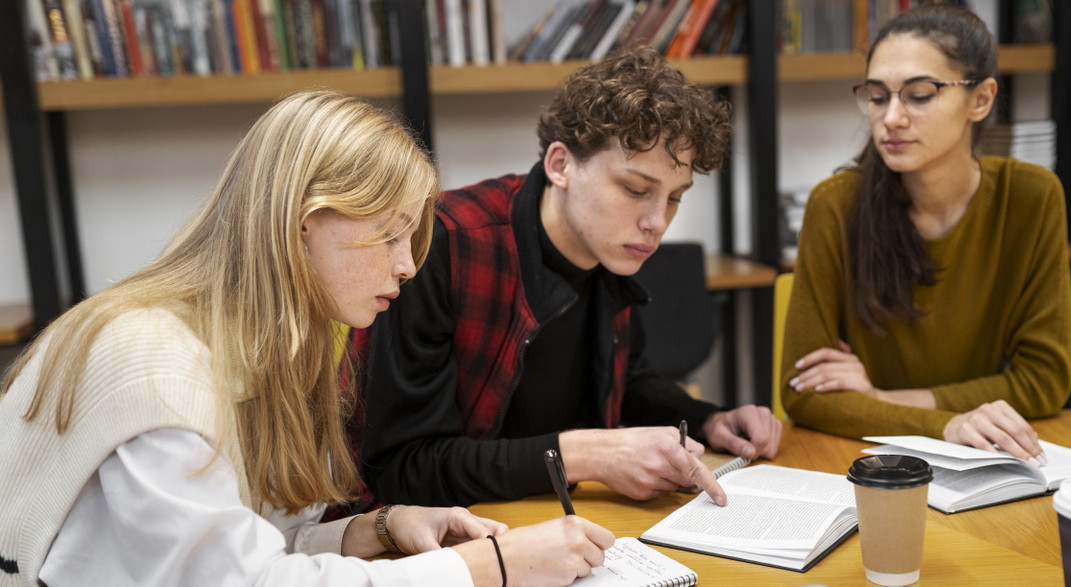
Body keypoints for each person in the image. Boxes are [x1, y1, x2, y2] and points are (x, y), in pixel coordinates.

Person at [0, 90, 614, 587]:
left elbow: (250, 541)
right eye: (388, 235)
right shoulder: (154, 359)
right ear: (302, 223)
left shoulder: (291, 345)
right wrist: (482, 569)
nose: (407, 265)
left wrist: (379, 528)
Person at [358, 48, 782, 509]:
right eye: (635, 190)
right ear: (560, 165)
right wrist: (584, 454)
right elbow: (403, 470)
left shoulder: (611, 245)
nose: (657, 222)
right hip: (443, 532)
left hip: (562, 516)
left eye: (675, 197)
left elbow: (626, 379)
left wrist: (708, 419)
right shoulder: (442, 244)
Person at [779, 4, 1071, 463]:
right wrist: (947, 424)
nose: (892, 118)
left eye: (919, 95)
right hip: (868, 463)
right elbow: (803, 394)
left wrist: (881, 397)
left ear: (981, 99)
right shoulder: (834, 205)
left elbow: (1045, 381)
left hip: (992, 461)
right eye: (878, 97)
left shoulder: (1032, 197)